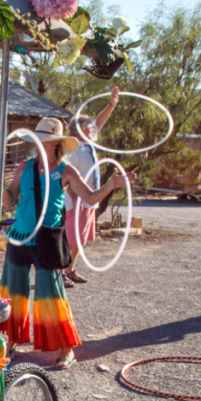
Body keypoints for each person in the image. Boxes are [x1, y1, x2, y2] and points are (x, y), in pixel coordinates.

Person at [0, 117, 125, 369]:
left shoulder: (65, 171)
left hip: (47, 238)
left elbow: (89, 197)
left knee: (51, 293)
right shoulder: (24, 166)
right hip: (20, 236)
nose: (42, 144)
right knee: (14, 291)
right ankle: (12, 341)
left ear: (56, 143)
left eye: (47, 140)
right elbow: (9, 200)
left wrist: (112, 184)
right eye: (39, 139)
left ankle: (66, 348)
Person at [62, 86, 121, 287]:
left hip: (89, 200)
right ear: (78, 130)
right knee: (72, 237)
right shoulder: (73, 148)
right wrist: (76, 198)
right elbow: (66, 176)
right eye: (88, 128)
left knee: (81, 238)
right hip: (77, 201)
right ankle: (61, 272)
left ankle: (69, 269)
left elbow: (100, 122)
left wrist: (111, 104)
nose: (92, 130)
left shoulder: (87, 145)